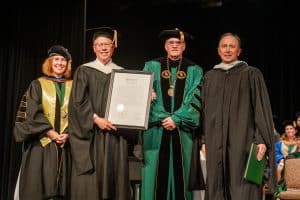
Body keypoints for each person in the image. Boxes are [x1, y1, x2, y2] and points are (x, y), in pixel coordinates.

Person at [200, 32, 277, 200]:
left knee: (242, 188)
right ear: (218, 50)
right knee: (217, 186)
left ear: (239, 51)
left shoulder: (251, 74)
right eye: (224, 46)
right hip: (215, 142)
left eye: (232, 46)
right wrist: (204, 139)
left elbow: (261, 109)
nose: (228, 50)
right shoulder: (210, 77)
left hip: (243, 142)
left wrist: (261, 139)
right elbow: (204, 112)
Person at [68, 27, 131, 200]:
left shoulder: (123, 73)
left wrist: (145, 96)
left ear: (113, 47)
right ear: (94, 48)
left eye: (107, 44)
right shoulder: (84, 70)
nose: (103, 48)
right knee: (92, 182)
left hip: (114, 133)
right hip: (92, 134)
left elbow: (129, 102)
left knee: (114, 176)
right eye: (99, 45)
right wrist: (96, 119)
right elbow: (78, 102)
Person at [141, 28, 203, 200]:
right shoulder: (151, 66)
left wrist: (176, 118)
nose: (175, 46)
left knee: (182, 177)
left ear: (184, 46)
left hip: (182, 132)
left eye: (178, 43)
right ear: (165, 46)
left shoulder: (195, 70)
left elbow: (195, 99)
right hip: (156, 132)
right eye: (171, 43)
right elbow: (144, 96)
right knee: (154, 178)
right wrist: (162, 117)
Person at [13, 45, 72, 200]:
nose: (60, 63)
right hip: (41, 143)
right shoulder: (38, 84)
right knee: (38, 187)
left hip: (65, 144)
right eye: (56, 59)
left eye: (64, 60)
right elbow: (31, 112)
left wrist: (67, 133)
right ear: (50, 62)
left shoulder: (73, 86)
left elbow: (79, 113)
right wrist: (50, 132)